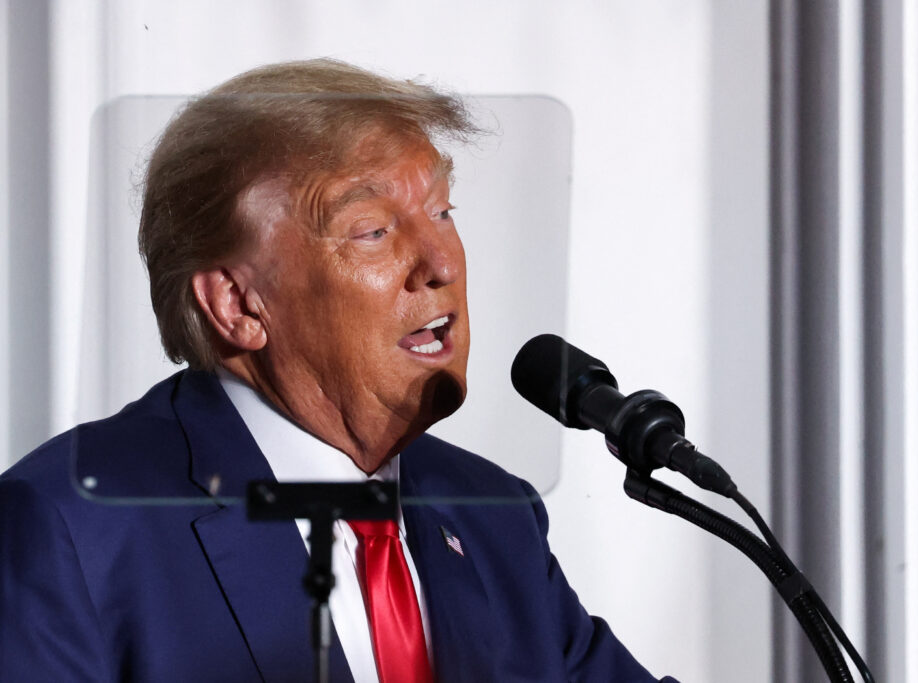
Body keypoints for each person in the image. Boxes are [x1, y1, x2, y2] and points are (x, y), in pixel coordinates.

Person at [0, 59, 677, 682]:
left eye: (442, 212)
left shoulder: (492, 516)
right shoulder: (70, 528)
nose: (442, 262)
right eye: (374, 230)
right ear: (237, 304)